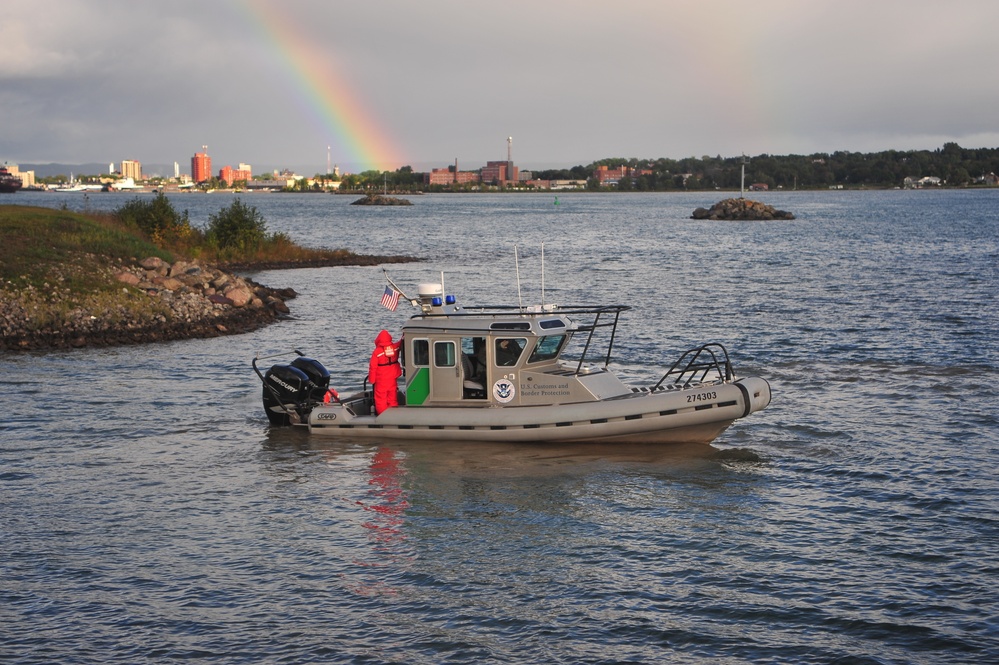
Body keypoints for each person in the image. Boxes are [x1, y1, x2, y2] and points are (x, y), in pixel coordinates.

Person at [368, 330, 402, 415]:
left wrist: (372, 380)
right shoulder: (395, 347)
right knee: (392, 397)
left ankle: (383, 416)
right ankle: (393, 415)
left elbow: (373, 367)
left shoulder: (377, 352)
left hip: (381, 379)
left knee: (380, 399)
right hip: (392, 378)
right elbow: (400, 343)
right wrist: (403, 336)